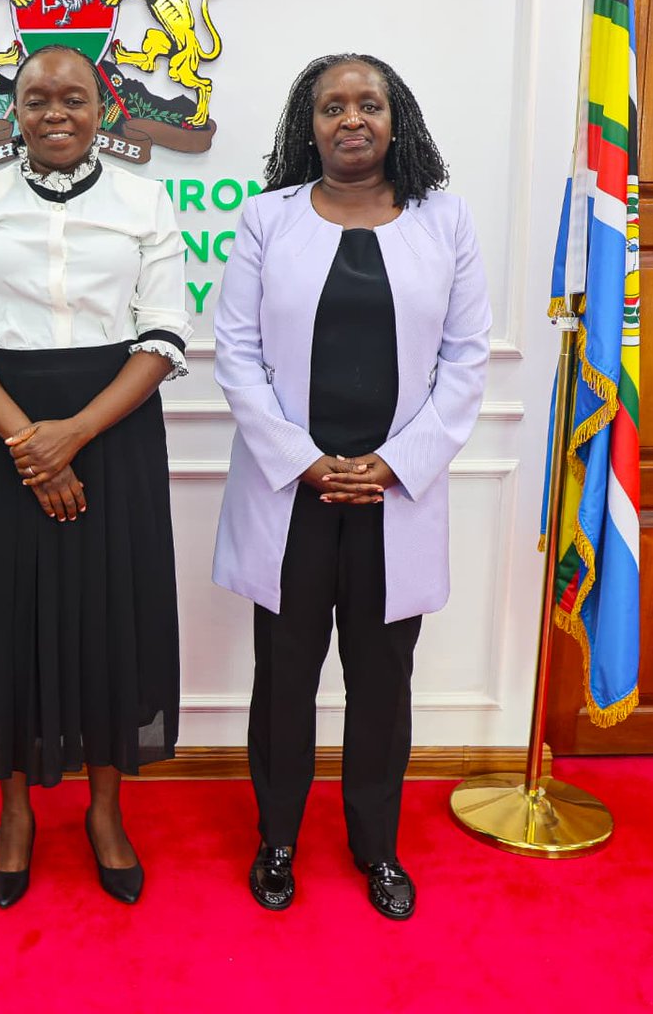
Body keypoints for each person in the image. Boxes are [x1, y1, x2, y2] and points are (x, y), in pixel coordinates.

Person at [212, 53, 490, 920]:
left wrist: (394, 464)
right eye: (332, 107)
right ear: (312, 125)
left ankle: (377, 848)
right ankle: (279, 842)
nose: (352, 119)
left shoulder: (445, 222)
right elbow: (237, 353)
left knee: (382, 684)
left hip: (391, 498)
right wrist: (302, 458)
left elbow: (467, 359)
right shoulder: (267, 220)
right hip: (291, 496)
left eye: (369, 104)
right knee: (284, 681)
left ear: (395, 120)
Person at [0, 44, 191, 907]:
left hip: (113, 428)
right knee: (5, 618)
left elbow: (164, 335)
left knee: (115, 618)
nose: (55, 115)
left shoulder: (147, 202)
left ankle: (106, 811)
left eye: (74, 99)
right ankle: (15, 812)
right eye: (37, 100)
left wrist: (70, 437)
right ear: (16, 112)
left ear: (102, 107)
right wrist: (31, 447)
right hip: (0, 432)